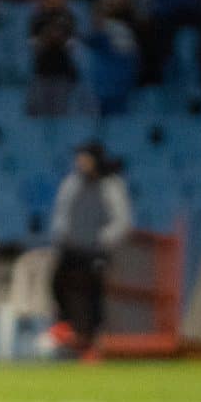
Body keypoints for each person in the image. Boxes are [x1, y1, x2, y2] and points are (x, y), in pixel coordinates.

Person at [47, 141, 132, 361]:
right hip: (72, 249)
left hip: (96, 251)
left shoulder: (110, 185)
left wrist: (101, 240)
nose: (80, 162)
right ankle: (67, 331)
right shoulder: (72, 183)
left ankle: (92, 344)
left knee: (92, 296)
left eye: (85, 158)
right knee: (58, 284)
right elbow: (61, 215)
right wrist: (63, 237)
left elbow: (122, 221)